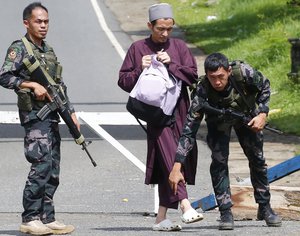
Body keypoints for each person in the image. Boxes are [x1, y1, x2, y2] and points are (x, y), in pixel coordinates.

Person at [169, 52, 282, 230]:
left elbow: (265, 87)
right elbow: (189, 131)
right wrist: (177, 165)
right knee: (219, 162)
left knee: (257, 160)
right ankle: (225, 211)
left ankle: (265, 207)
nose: (217, 82)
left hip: (247, 116)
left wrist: (262, 114)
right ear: (206, 75)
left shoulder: (243, 73)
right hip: (218, 122)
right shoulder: (202, 90)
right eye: (212, 78)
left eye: (221, 76)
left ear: (229, 71)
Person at [118, 3, 203, 232]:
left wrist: (172, 64)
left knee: (175, 157)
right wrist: (139, 69)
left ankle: (161, 218)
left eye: (169, 29)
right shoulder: (138, 48)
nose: (165, 34)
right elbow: (123, 81)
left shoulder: (179, 47)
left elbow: (193, 76)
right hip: (155, 114)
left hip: (181, 109)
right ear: (150, 26)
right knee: (169, 156)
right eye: (160, 29)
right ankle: (186, 205)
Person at [0, 2, 77, 235]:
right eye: (38, 21)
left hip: (52, 116)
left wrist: (71, 111)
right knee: (41, 164)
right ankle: (30, 217)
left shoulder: (48, 50)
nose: (43, 26)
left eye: (46, 21)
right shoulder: (20, 48)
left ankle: (47, 216)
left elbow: (59, 85)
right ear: (27, 23)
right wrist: (31, 84)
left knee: (53, 167)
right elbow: (4, 76)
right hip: (35, 116)